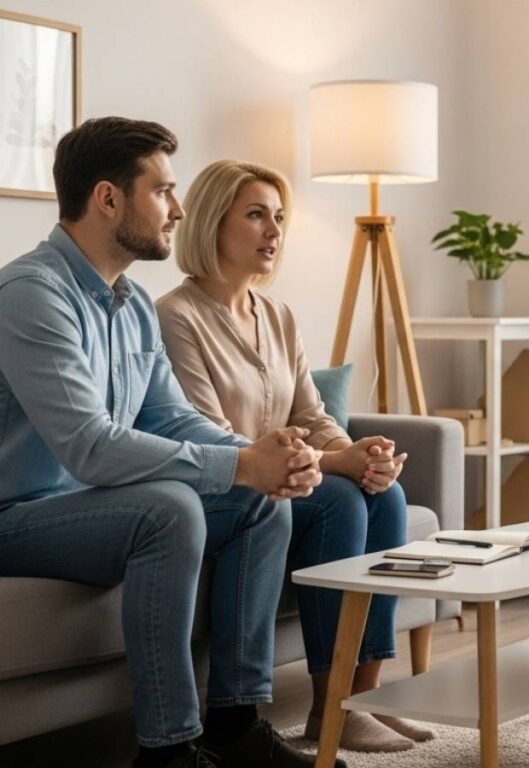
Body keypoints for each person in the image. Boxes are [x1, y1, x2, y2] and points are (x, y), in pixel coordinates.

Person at [0, 118, 344, 768]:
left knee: (261, 501)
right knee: (171, 508)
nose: (178, 209)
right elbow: (91, 448)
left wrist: (265, 462)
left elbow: (173, 419)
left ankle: (235, 724)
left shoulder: (130, 304)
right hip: (15, 516)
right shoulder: (31, 295)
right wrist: (240, 462)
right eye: (163, 191)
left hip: (93, 507)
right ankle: (168, 751)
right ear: (108, 198)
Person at [156, 160, 432, 753]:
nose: (273, 231)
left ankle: (366, 697)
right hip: (226, 490)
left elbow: (310, 412)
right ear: (211, 223)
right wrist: (333, 465)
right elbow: (207, 434)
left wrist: (356, 450)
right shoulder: (175, 316)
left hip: (290, 482)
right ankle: (328, 709)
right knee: (337, 500)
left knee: (386, 492)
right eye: (255, 215)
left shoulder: (275, 315)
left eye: (278, 217)